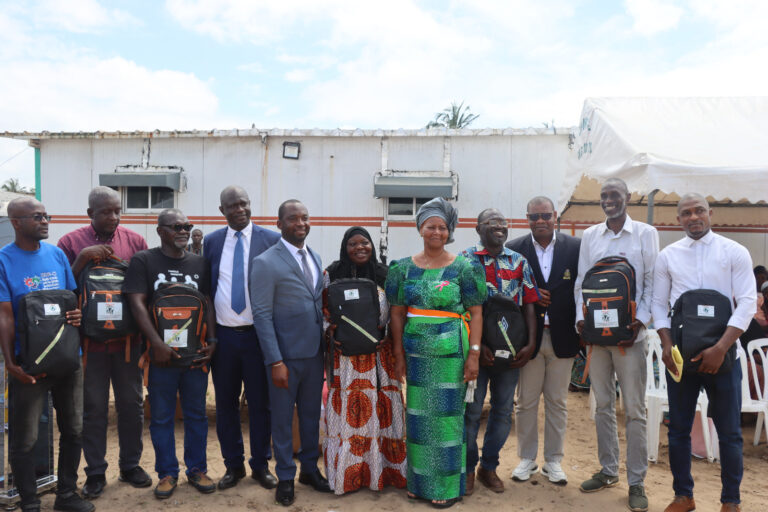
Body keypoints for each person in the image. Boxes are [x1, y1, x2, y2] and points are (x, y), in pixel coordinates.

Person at [652, 194, 755, 512]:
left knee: (729, 432)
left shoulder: (734, 252)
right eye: (686, 213)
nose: (693, 217)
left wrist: (721, 348)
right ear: (678, 219)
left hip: (724, 357)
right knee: (679, 428)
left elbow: (749, 302)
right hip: (681, 359)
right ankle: (684, 496)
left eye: (699, 211)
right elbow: (658, 304)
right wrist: (666, 345)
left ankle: (730, 502)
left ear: (710, 213)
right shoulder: (668, 256)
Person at [386, 197, 487, 509]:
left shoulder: (465, 268)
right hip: (417, 356)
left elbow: (477, 313)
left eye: (443, 227)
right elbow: (397, 315)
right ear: (420, 228)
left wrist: (473, 355)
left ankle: (443, 485)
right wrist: (399, 354)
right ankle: (418, 483)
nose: (437, 232)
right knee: (417, 419)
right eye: (431, 226)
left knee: (445, 419)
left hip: (451, 356)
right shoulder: (402, 269)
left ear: (449, 231)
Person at [0, 197, 94, 512]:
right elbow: (5, 315)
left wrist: (77, 316)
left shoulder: (56, 255)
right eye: (37, 216)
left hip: (67, 360)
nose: (45, 221)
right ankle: (29, 502)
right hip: (29, 365)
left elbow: (71, 299)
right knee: (25, 437)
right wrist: (11, 363)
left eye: (46, 215)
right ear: (15, 222)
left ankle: (66, 495)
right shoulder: (4, 261)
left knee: (74, 429)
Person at [57, 186, 151, 499]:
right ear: (90, 214)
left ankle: (130, 465)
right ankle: (95, 472)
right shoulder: (70, 243)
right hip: (88, 345)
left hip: (127, 343)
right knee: (93, 410)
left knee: (131, 405)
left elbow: (144, 291)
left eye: (117, 210)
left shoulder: (135, 241)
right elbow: (62, 292)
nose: (113, 217)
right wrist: (82, 259)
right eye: (105, 212)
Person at [574, 178, 658, 512]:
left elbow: (651, 282)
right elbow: (582, 281)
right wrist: (579, 322)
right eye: (605, 196)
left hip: (629, 338)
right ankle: (609, 471)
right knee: (602, 406)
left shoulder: (645, 234)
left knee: (635, 410)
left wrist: (640, 322)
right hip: (597, 338)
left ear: (628, 198)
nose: (610, 200)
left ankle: (636, 482)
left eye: (616, 195)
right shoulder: (591, 235)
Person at [124, 209, 217, 500]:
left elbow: (209, 302)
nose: (184, 230)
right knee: (162, 417)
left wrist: (212, 340)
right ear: (160, 230)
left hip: (195, 356)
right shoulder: (143, 260)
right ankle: (166, 473)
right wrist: (155, 343)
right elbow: (136, 303)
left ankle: (197, 469)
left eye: (187, 225)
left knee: (196, 415)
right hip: (159, 357)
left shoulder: (200, 263)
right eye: (176, 226)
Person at [250, 199, 331, 506]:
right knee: (283, 420)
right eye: (293, 218)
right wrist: (275, 360)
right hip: (284, 358)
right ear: (279, 223)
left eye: (305, 218)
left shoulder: (314, 256)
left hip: (314, 355)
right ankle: (285, 476)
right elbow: (262, 315)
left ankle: (309, 469)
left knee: (311, 417)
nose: (301, 223)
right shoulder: (266, 262)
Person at [204, 186, 280, 490]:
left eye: (244, 204)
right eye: (232, 206)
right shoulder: (211, 242)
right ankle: (233, 466)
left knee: (261, 404)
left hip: (259, 338)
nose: (239, 210)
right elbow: (207, 291)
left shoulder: (271, 240)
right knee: (226, 405)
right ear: (221, 210)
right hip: (223, 339)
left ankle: (261, 465)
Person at [323, 226, 407, 495]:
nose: (360, 247)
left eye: (365, 243)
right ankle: (349, 474)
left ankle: (384, 473)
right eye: (353, 243)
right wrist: (329, 331)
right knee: (350, 415)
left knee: (381, 413)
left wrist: (391, 338)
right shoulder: (332, 273)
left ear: (373, 246)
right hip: (346, 361)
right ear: (344, 248)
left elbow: (399, 312)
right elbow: (321, 310)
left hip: (381, 360)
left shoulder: (386, 275)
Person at [461, 208, 538, 495]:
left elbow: (529, 302)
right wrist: (475, 348)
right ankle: (468, 469)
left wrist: (530, 344)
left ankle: (488, 468)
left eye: (503, 224)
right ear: (478, 228)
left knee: (503, 411)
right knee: (471, 412)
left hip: (511, 351)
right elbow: (459, 306)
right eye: (492, 223)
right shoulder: (465, 260)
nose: (499, 228)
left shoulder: (519, 261)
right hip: (477, 351)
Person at [506, 196, 581, 485]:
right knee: (525, 402)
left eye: (545, 215)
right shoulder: (514, 249)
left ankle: (553, 461)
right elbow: (509, 292)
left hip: (563, 336)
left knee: (558, 402)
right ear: (527, 218)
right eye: (534, 216)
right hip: (529, 339)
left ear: (555, 217)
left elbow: (581, 287)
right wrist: (531, 294)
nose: (540, 221)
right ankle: (527, 459)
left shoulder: (576, 247)